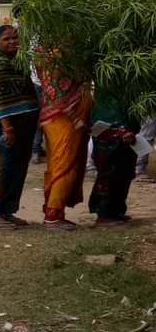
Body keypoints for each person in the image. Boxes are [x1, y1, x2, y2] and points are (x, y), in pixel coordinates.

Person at [0, 24, 40, 229]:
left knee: (19, 168)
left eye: (15, 38)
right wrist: (7, 129)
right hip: (7, 128)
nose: (12, 42)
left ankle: (8, 210)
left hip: (26, 125)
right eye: (6, 39)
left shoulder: (20, 64)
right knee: (3, 168)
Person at [35, 49, 92, 231]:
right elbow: (56, 92)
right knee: (64, 165)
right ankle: (52, 215)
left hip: (63, 118)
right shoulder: (56, 54)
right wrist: (75, 117)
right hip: (64, 119)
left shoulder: (52, 51)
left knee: (60, 164)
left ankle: (55, 212)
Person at [88, 94, 139, 227]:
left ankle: (115, 210)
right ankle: (103, 213)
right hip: (111, 128)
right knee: (109, 171)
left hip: (127, 126)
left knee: (124, 171)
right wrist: (122, 129)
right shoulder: (108, 84)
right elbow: (108, 108)